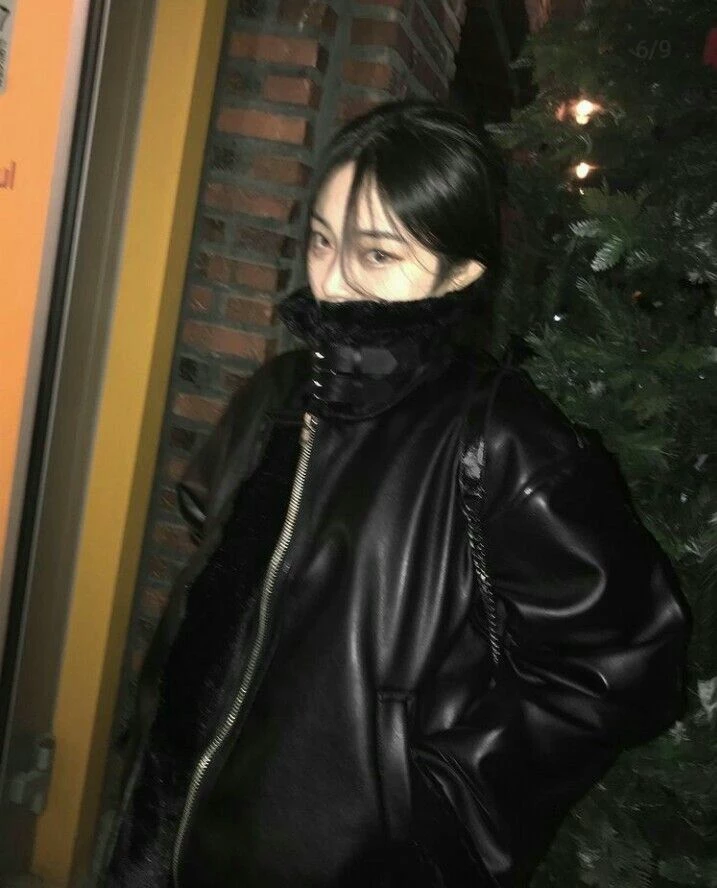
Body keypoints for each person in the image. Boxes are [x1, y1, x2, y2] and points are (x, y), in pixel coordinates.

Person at [103, 99, 691, 888]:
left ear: (462, 270)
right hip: (164, 826)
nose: (333, 281)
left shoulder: (506, 441)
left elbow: (622, 663)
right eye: (321, 241)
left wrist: (439, 819)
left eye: (376, 254)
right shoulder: (279, 393)